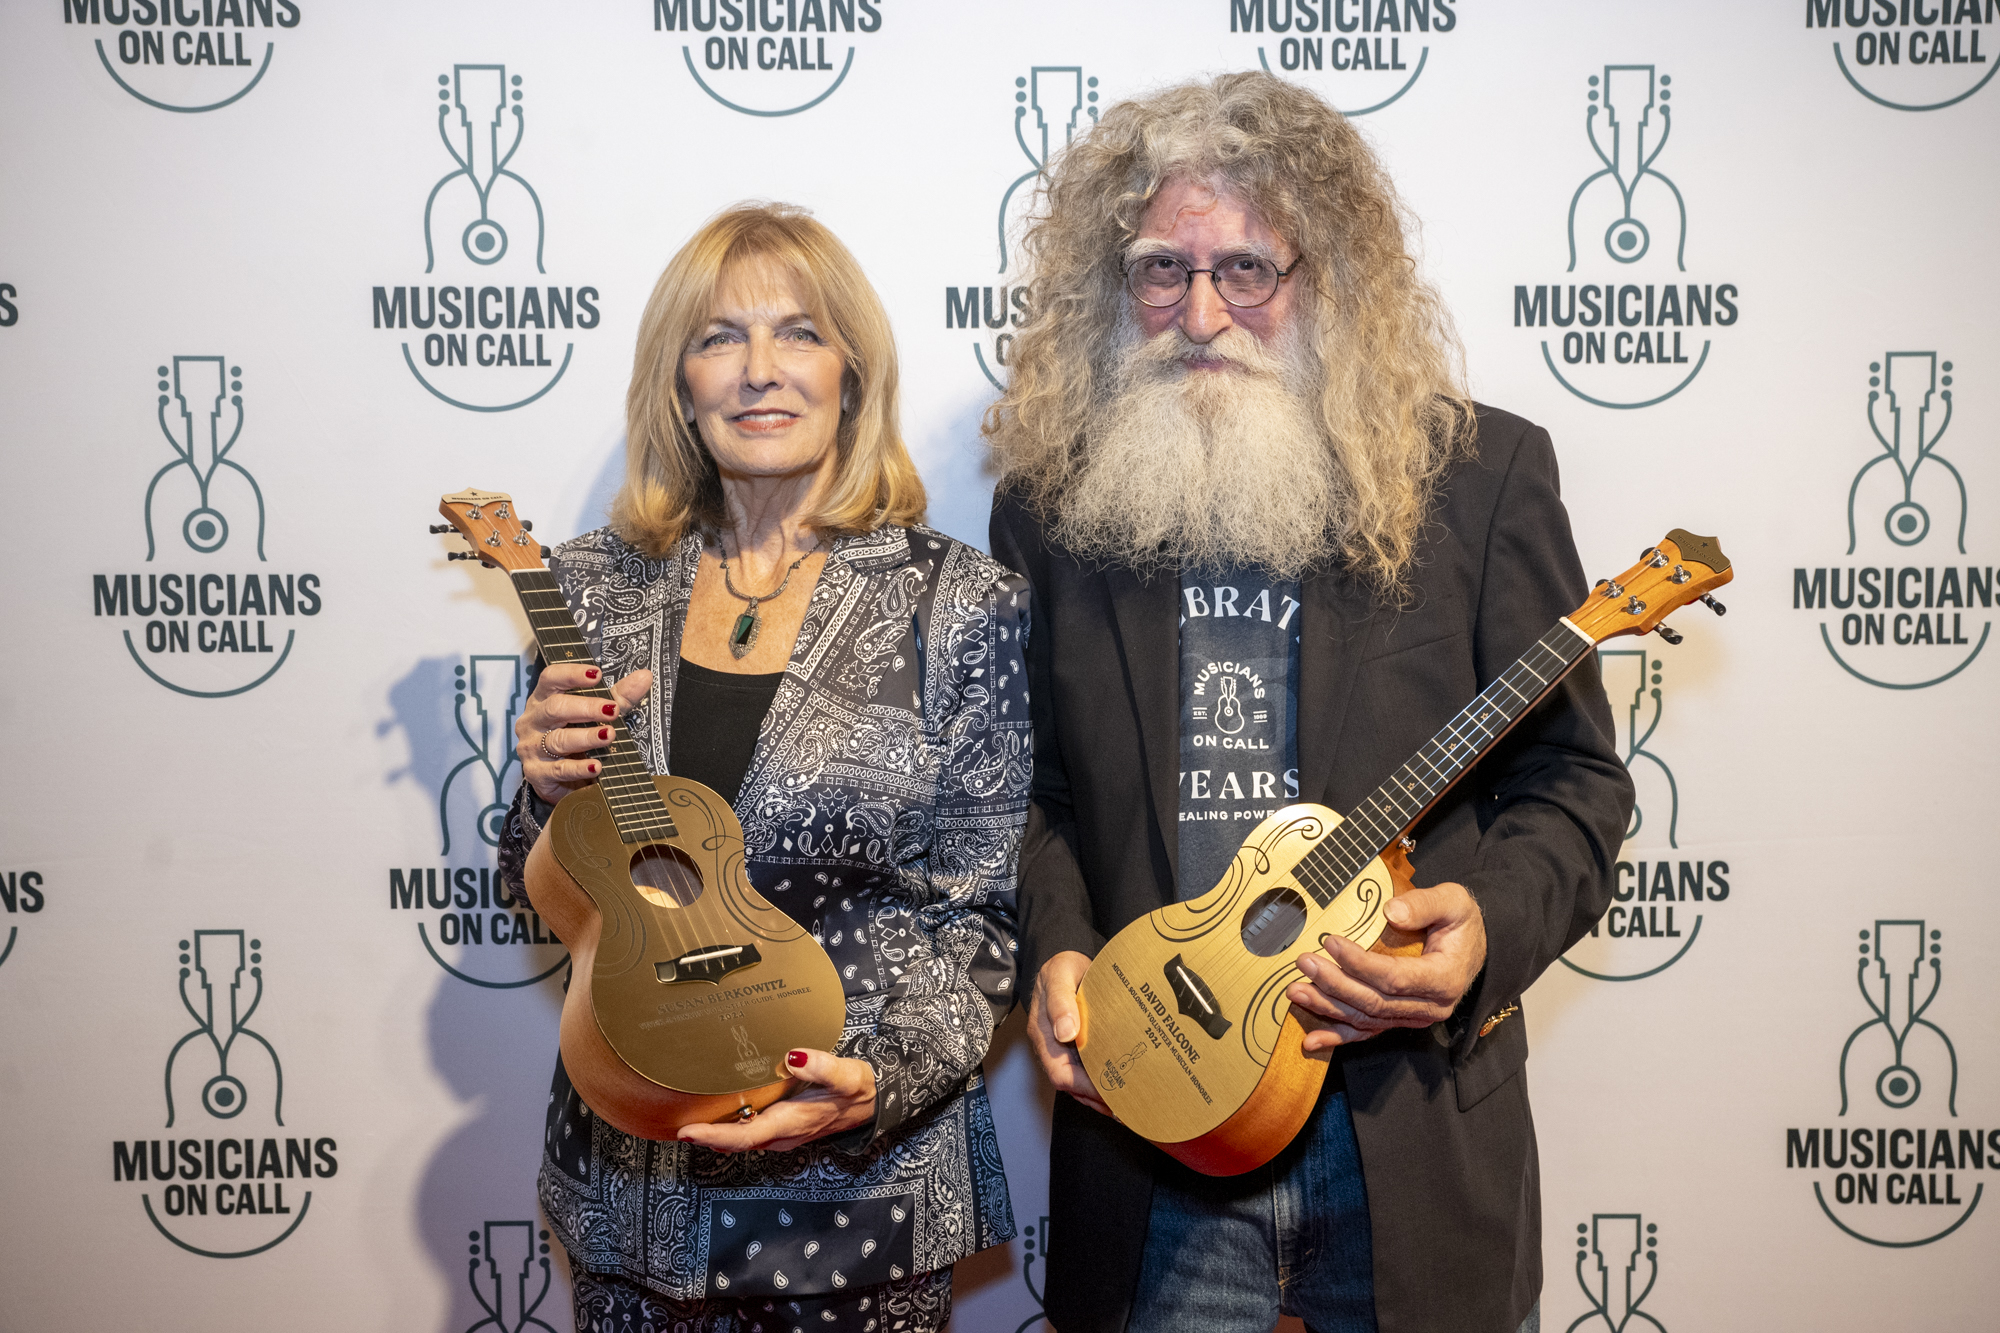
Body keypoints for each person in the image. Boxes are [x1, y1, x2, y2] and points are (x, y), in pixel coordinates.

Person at [985, 74, 1634, 1333]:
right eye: (1159, 270)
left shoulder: (1480, 478)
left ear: (1321, 277)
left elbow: (1574, 782)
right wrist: (1059, 947)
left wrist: (1483, 936)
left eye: (1245, 270)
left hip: (1405, 1125)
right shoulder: (1052, 509)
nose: (1200, 312)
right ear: (1109, 289)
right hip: (1150, 1120)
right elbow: (1030, 790)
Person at [497, 203, 1030, 1333]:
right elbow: (537, 889)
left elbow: (985, 914)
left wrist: (874, 1082)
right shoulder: (589, 588)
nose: (756, 372)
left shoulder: (960, 604)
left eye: (796, 332)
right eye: (715, 338)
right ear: (677, 382)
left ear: (851, 367)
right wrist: (542, 798)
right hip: (637, 1178)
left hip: (860, 1189)